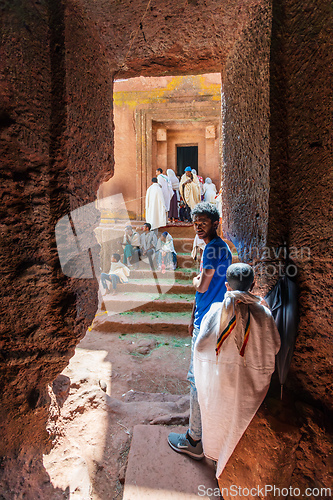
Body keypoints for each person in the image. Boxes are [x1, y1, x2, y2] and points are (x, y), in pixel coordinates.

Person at [193, 263, 281, 478]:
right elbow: (275, 346)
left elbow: (201, 347)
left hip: (220, 382)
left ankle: (214, 453)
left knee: (218, 415)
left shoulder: (215, 312)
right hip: (250, 386)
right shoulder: (265, 314)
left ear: (226, 286)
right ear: (253, 284)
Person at [167, 202, 232, 459]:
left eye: (203, 222)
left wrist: (195, 281)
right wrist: (193, 312)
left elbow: (203, 285)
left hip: (208, 322)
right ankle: (207, 428)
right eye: (195, 223)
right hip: (210, 316)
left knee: (196, 377)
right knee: (207, 374)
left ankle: (194, 439)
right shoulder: (220, 248)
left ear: (215, 223)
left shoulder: (213, 249)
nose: (198, 227)